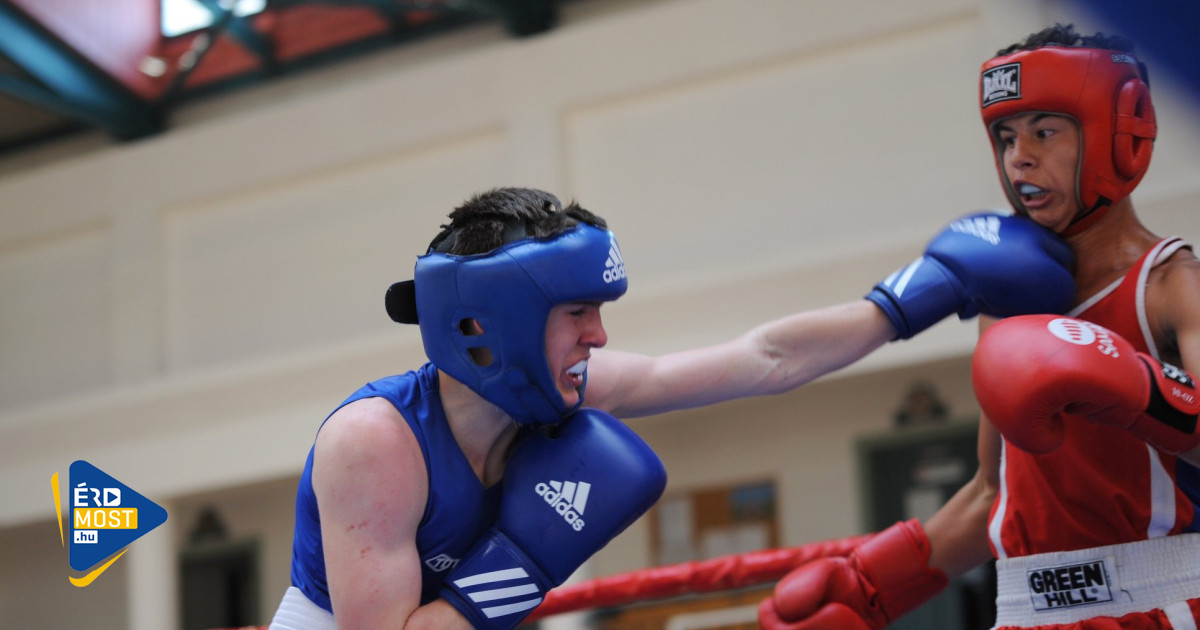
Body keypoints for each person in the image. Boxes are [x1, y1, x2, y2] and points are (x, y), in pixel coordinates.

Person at [266, 184, 1074, 630]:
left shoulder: (565, 397)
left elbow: (764, 359)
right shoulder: (375, 443)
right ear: (497, 324)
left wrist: (911, 299)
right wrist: (525, 560)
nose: (599, 334)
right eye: (576, 312)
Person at [757, 24, 1200, 630]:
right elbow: (994, 492)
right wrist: (869, 588)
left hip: (1155, 605)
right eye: (1006, 136)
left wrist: (1137, 390)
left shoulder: (1171, 285)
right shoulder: (1008, 299)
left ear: (1117, 134)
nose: (1020, 156)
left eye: (1044, 131)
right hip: (1022, 613)